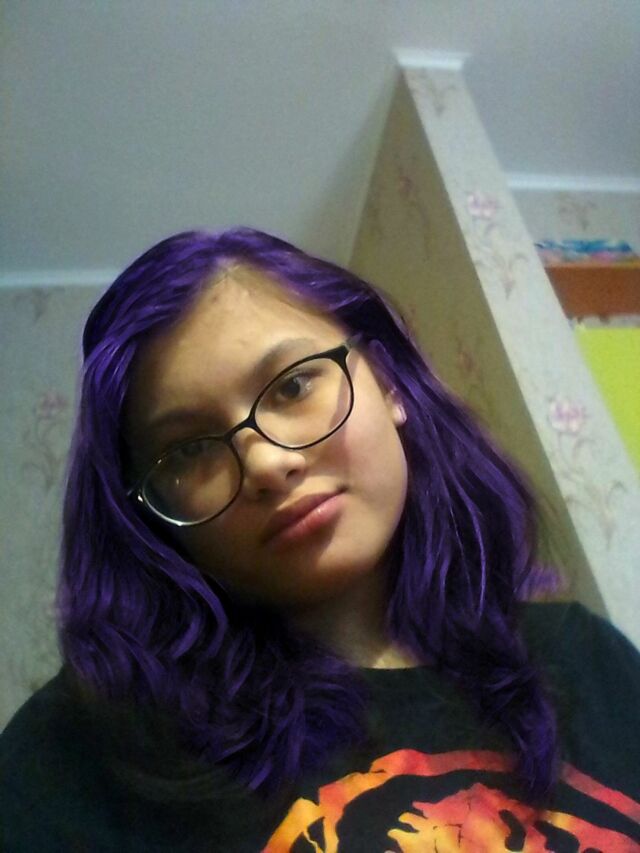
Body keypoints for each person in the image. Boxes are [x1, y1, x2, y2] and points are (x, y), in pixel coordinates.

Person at [2, 227, 639, 852]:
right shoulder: (87, 749)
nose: (266, 463)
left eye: (293, 386)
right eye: (190, 450)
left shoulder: (588, 660)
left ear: (387, 380)